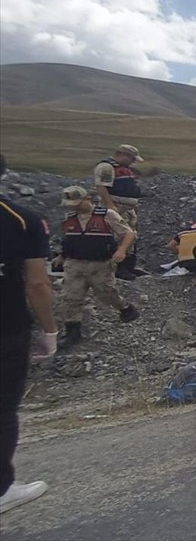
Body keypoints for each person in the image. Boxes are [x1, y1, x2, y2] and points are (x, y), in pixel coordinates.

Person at [0, 155, 58, 514]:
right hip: (7, 327)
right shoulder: (21, 219)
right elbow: (37, 284)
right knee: (3, 406)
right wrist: (50, 330)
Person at [58, 186, 140, 347]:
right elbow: (68, 240)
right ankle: (72, 332)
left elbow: (129, 233)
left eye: (77, 204)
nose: (74, 208)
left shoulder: (107, 215)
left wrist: (122, 250)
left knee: (106, 292)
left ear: (87, 199)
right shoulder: (70, 218)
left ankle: (125, 308)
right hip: (75, 264)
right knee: (70, 297)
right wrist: (61, 256)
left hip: (100, 264)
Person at [94, 144, 146, 280]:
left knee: (132, 235)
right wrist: (110, 205)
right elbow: (101, 187)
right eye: (131, 158)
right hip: (116, 205)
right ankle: (118, 268)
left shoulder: (126, 169)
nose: (133, 162)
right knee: (119, 236)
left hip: (129, 207)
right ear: (123, 155)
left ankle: (129, 266)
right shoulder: (106, 167)